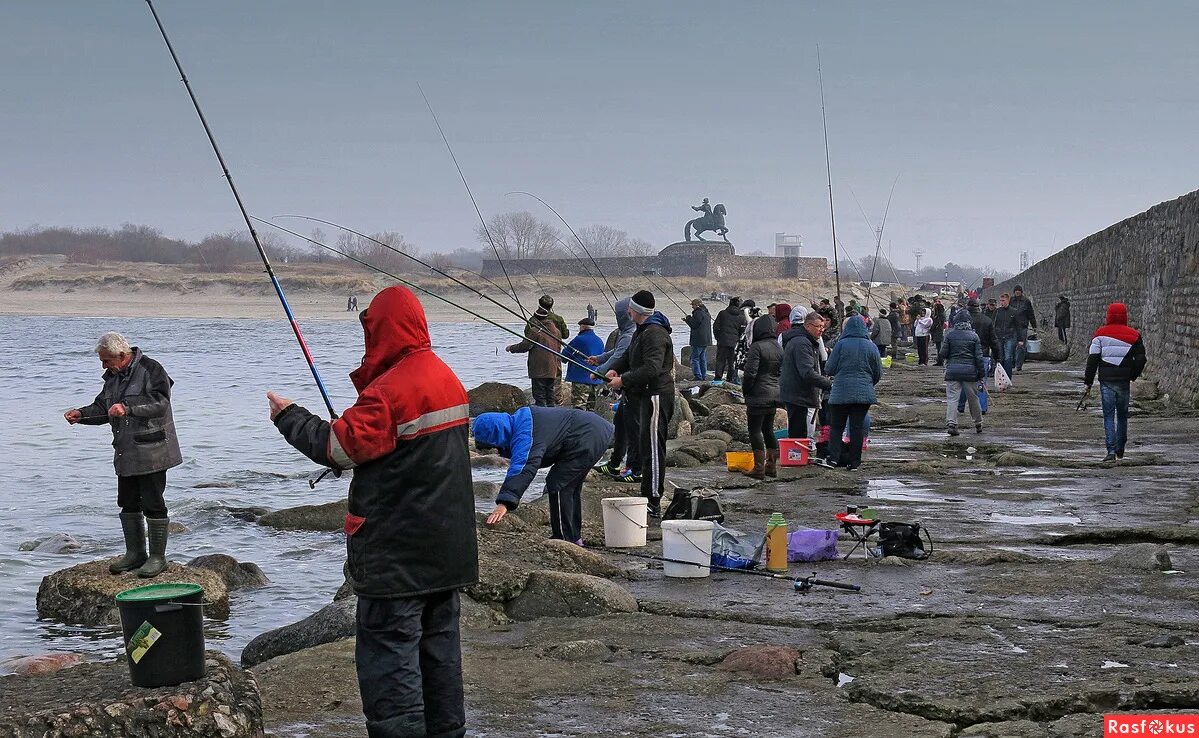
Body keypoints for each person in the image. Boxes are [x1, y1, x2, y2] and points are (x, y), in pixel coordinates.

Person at [267, 285, 477, 738]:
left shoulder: (389, 392)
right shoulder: (444, 374)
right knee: (440, 654)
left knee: (390, 660)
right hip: (448, 549)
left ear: (382, 329)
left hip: (396, 555)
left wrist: (289, 416)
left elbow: (336, 447)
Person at [64, 332, 182, 579]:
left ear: (121, 355)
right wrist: (81, 415)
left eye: (106, 360)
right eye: (102, 361)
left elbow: (161, 403)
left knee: (153, 502)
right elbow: (102, 408)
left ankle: (158, 558)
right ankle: (135, 554)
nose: (103, 365)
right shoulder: (113, 379)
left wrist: (128, 409)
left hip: (153, 451)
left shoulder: (152, 369)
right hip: (126, 452)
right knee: (127, 502)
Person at [474, 407, 614, 544]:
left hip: (588, 435)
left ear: (497, 433)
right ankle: (574, 537)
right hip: (593, 430)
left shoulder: (525, 434)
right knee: (570, 486)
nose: (496, 451)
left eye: (493, 446)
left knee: (558, 484)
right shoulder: (523, 420)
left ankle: (563, 538)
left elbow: (523, 467)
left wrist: (504, 502)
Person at [606, 290, 674, 516]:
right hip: (644, 396)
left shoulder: (654, 333)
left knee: (654, 449)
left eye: (630, 308)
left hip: (656, 396)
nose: (627, 312)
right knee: (646, 447)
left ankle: (653, 500)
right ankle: (647, 495)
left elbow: (652, 369)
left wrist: (622, 380)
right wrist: (616, 369)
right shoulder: (641, 330)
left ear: (638, 311)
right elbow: (630, 357)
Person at [1084, 303, 1148, 461]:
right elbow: (1141, 358)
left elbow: (1092, 359)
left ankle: (1110, 450)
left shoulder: (1100, 334)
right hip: (1124, 381)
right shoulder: (1134, 335)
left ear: (1109, 316)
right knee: (1122, 415)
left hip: (1106, 380)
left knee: (1108, 415)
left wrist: (1088, 382)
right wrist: (1132, 374)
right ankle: (1121, 448)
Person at [590, 297, 640, 480]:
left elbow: (619, 356)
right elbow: (616, 352)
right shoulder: (628, 332)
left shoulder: (629, 333)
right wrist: (600, 358)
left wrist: (598, 372)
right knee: (620, 423)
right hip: (627, 388)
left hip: (632, 386)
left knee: (633, 429)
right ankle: (614, 464)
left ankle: (633, 468)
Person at [824, 316, 883, 470]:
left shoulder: (840, 345)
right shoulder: (871, 347)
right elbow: (878, 372)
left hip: (840, 393)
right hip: (863, 394)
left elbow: (829, 368)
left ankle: (833, 459)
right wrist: (869, 384)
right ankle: (854, 462)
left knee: (836, 427)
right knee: (856, 428)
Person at [780, 311, 831, 446]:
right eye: (819, 326)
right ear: (808, 326)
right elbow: (807, 372)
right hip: (797, 393)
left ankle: (799, 456)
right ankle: (797, 459)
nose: (822, 329)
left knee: (800, 428)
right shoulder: (802, 343)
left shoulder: (807, 340)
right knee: (798, 431)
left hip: (798, 391)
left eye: (823, 326)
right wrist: (828, 384)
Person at [741, 315, 783, 479]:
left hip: (758, 395)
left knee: (755, 430)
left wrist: (746, 390)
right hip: (774, 394)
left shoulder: (756, 347)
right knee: (768, 430)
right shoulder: (778, 346)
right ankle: (771, 466)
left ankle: (759, 468)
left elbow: (750, 373)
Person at [941, 308, 985, 436]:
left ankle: (951, 423)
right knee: (973, 398)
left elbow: (943, 354)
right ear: (969, 322)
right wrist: (981, 373)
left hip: (952, 372)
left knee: (952, 398)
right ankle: (978, 423)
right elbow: (978, 357)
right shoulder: (974, 336)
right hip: (970, 373)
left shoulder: (949, 335)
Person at [508, 306, 562, 407]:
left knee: (539, 395)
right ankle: (551, 414)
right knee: (550, 393)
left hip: (539, 369)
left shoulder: (535, 331)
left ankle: (541, 416)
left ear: (537, 319)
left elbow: (525, 346)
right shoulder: (557, 332)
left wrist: (511, 348)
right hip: (553, 367)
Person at [562, 318, 605, 411]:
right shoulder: (600, 341)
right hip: (596, 380)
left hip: (581, 380)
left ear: (583, 327)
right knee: (591, 409)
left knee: (579, 408)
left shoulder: (578, 339)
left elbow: (564, 356)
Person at [712, 296, 746, 383]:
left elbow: (715, 327)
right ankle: (730, 379)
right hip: (735, 343)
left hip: (722, 341)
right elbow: (742, 331)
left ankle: (718, 378)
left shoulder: (722, 313)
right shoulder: (742, 317)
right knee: (732, 362)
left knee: (720, 360)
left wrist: (718, 338)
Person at [683, 298, 713, 381]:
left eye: (693, 305)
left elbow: (694, 325)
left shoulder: (698, 313)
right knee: (702, 358)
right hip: (706, 339)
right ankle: (703, 375)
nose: (692, 307)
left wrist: (688, 318)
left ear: (697, 305)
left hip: (698, 340)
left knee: (695, 358)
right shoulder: (707, 312)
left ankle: (698, 376)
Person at [1009, 286, 1037, 372]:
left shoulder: (1026, 301)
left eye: (1019, 291)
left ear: (1021, 292)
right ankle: (1012, 363)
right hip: (1012, 326)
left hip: (1022, 326)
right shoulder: (1011, 300)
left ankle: (1019, 365)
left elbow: (1031, 314)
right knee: (1012, 345)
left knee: (1021, 347)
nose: (1017, 292)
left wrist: (1034, 326)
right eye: (1016, 291)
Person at [992, 293, 1018, 380]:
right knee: (1001, 358)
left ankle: (1008, 377)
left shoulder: (1013, 311)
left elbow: (1018, 325)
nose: (1002, 302)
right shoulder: (997, 311)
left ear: (1008, 300)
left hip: (1009, 336)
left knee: (1008, 357)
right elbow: (993, 324)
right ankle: (1001, 377)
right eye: (1001, 301)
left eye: (1003, 300)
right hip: (999, 336)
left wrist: (1020, 338)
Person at [931, 299, 948, 366]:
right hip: (940, 332)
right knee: (939, 347)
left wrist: (931, 329)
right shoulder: (941, 315)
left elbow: (935, 325)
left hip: (939, 332)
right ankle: (940, 360)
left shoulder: (939, 316)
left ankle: (940, 361)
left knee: (939, 347)